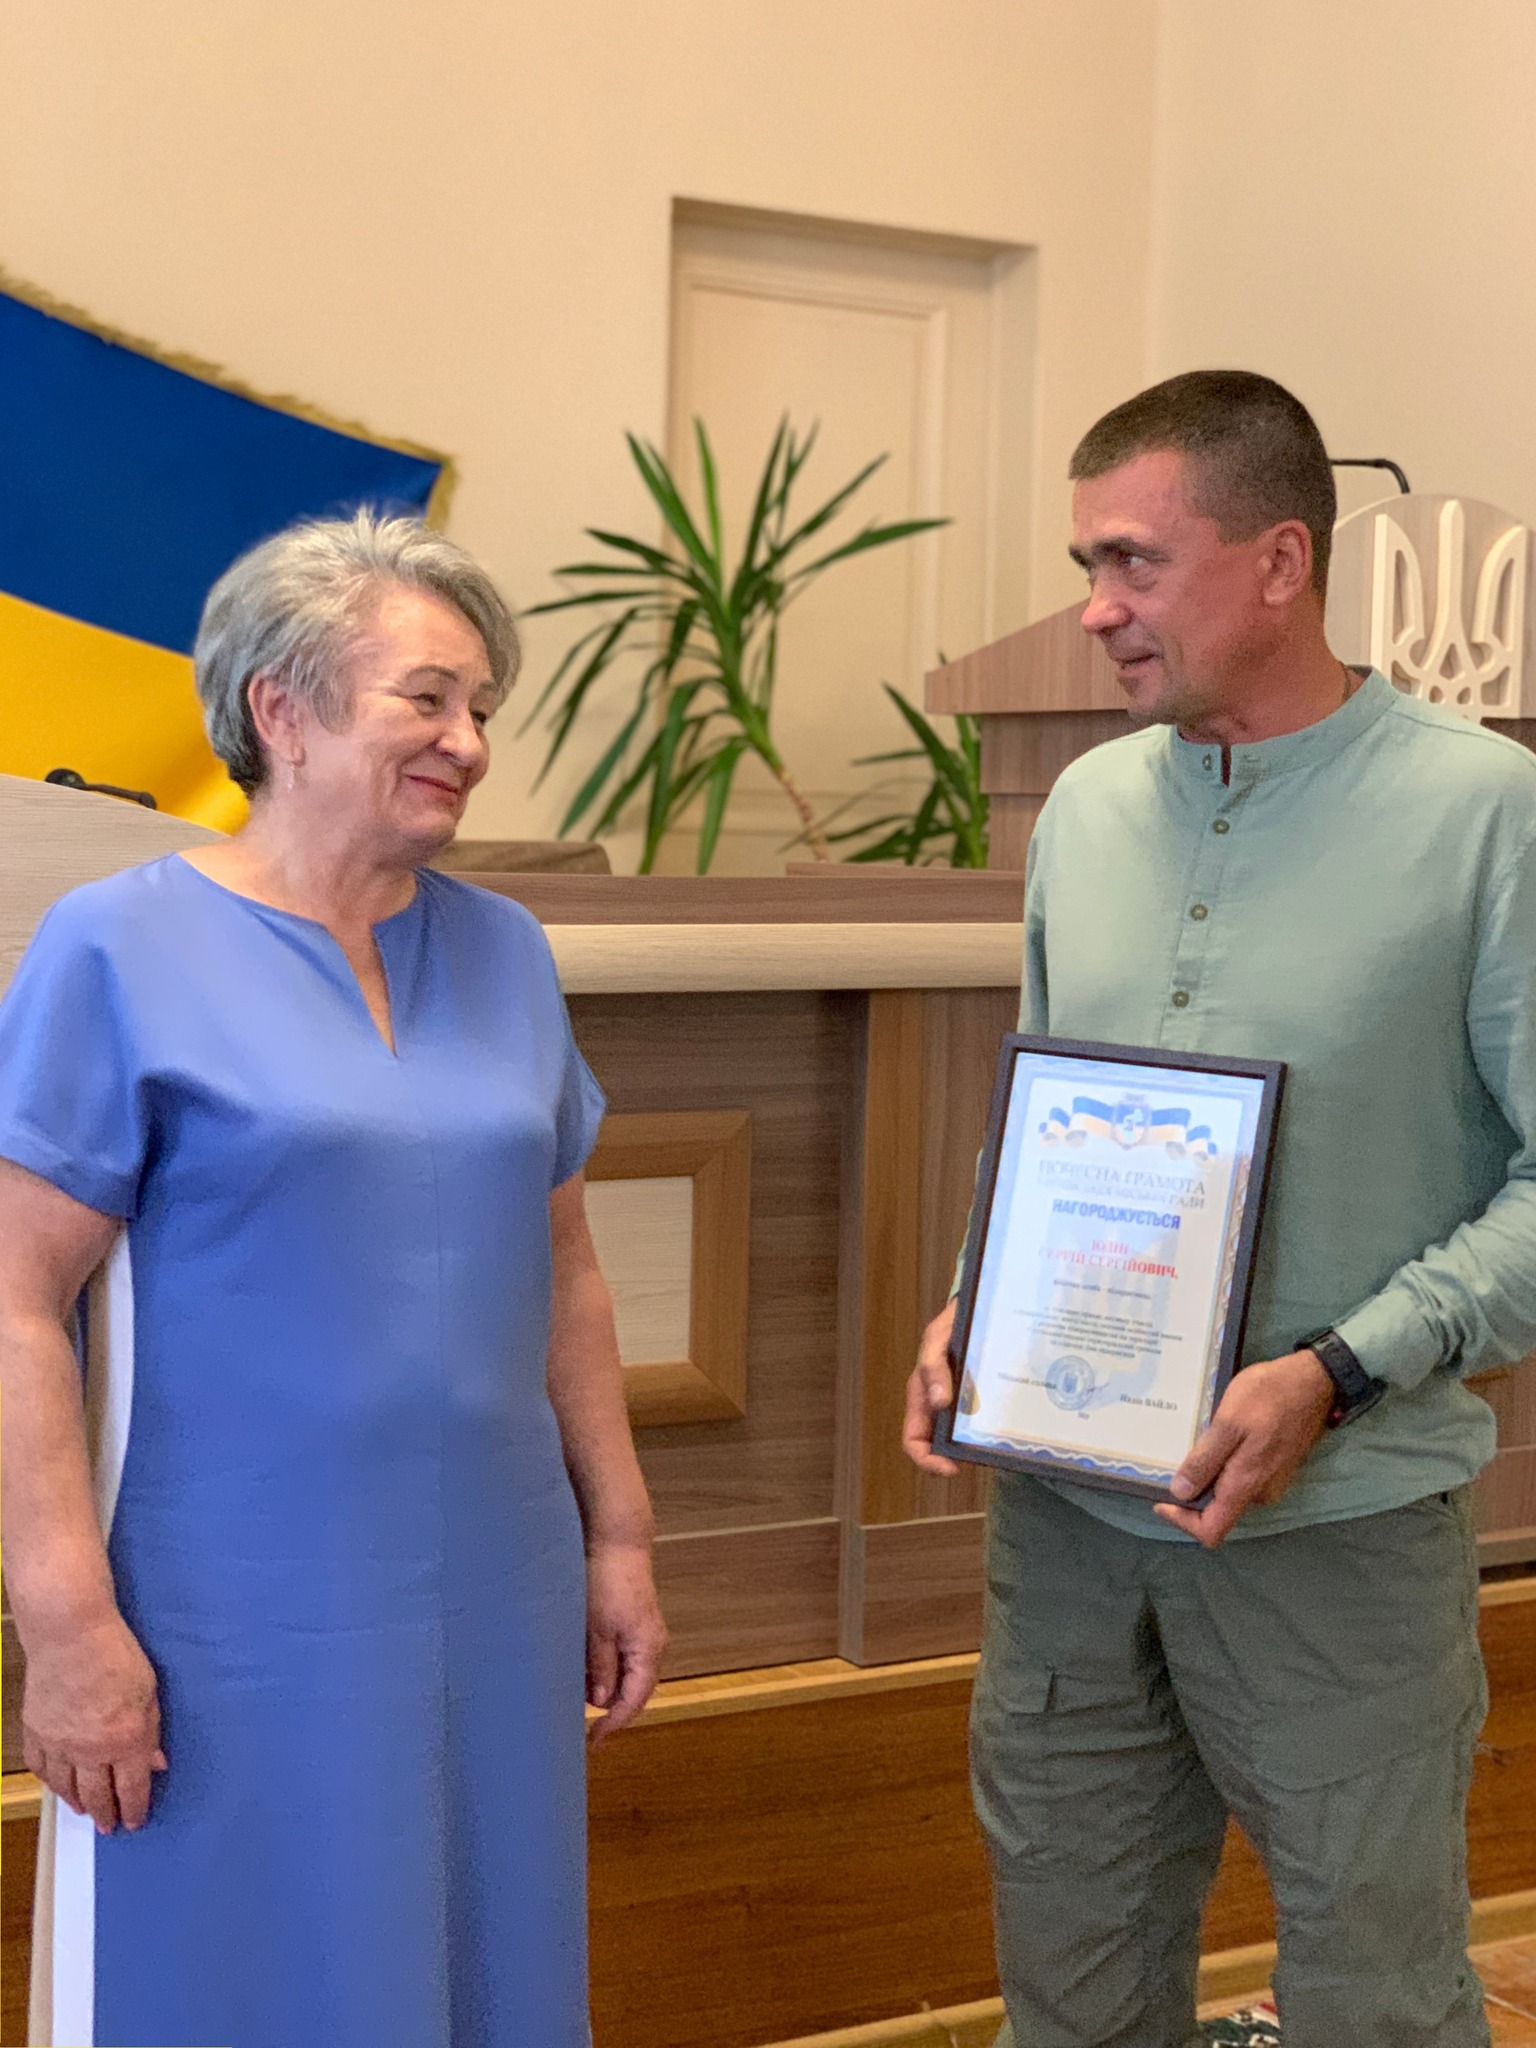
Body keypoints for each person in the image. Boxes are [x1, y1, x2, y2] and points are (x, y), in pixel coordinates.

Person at [904, 371, 1536, 2048]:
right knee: (1071, 1990)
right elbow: (1048, 1119)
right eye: (1086, 564)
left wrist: (1337, 1369)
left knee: (1377, 1998)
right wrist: (978, 1296)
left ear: (1281, 561)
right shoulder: (1088, 809)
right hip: (1065, 1528)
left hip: (1339, 1535)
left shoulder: (1489, 815)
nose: (1096, 608)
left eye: (1135, 560)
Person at [0, 510, 666, 2048]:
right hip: (228, 1615)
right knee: (242, 1978)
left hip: (495, 1594)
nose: (469, 742)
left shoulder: (506, 951)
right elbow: (18, 1305)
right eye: (427, 699)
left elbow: (567, 1273)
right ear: (280, 711)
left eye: (481, 707)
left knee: (478, 1969)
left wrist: (621, 1538)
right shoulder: (114, 948)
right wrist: (64, 1623)